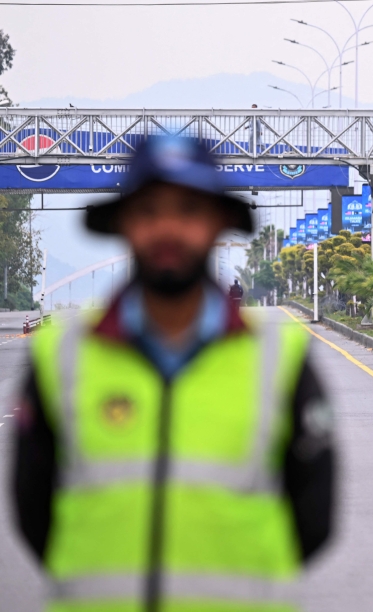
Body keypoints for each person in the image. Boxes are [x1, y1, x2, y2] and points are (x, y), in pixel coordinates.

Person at [12, 136, 336, 612]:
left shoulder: (279, 359)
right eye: (148, 211)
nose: (167, 228)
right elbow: (32, 508)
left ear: (217, 225)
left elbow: (314, 515)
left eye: (188, 211)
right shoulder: (62, 356)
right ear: (123, 224)